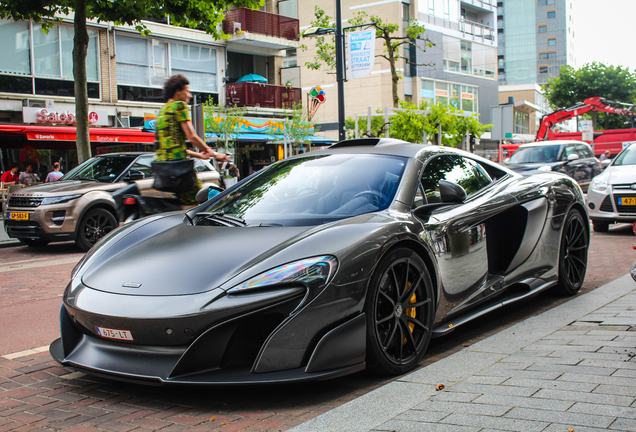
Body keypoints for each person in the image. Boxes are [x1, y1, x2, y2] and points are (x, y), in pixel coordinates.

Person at [156, 75, 229, 204]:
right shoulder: (179, 106)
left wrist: (199, 155)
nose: (189, 96)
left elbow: (172, 148)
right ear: (178, 91)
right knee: (199, 202)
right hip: (180, 169)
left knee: (182, 203)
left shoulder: (162, 111)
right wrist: (214, 153)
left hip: (164, 169)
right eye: (187, 91)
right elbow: (191, 136)